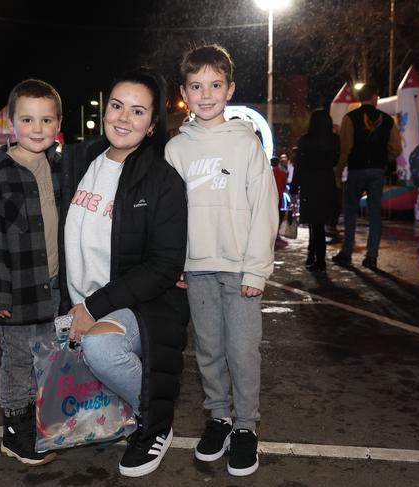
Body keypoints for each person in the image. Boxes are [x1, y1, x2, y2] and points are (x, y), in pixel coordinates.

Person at [59, 67, 189, 477]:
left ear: (152, 125)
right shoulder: (79, 161)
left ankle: (154, 421)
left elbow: (165, 265)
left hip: (138, 305)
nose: (123, 119)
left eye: (137, 112)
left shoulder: (161, 181)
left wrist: (93, 308)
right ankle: (120, 410)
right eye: (117, 106)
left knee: (101, 350)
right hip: (81, 301)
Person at [165, 44, 278, 477]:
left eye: (215, 85)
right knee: (209, 350)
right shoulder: (176, 149)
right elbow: (171, 215)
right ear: (184, 92)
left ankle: (247, 426)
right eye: (196, 86)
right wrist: (175, 261)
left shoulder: (246, 143)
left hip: (239, 269)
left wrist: (256, 269)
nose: (206, 94)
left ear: (229, 89)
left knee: (242, 351)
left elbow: (265, 207)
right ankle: (220, 419)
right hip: (197, 268)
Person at [0, 79, 63, 466]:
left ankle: (39, 423)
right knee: (17, 360)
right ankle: (14, 429)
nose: (37, 128)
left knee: (46, 356)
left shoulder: (59, 168)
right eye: (27, 119)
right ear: (11, 122)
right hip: (16, 289)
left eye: (46, 119)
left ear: (58, 122)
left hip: (53, 285)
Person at [331, 83, 402, 270]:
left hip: (356, 169)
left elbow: (345, 149)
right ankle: (371, 257)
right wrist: (383, 159)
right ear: (375, 97)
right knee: (375, 214)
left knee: (351, 211)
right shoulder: (387, 120)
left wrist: (338, 172)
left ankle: (346, 253)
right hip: (378, 171)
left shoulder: (350, 119)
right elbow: (396, 148)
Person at [289, 109, 340, 272]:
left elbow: (300, 165)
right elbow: (335, 161)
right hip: (326, 182)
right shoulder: (334, 140)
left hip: (309, 183)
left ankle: (316, 257)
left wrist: (294, 187)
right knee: (320, 223)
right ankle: (317, 257)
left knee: (314, 222)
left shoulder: (305, 140)